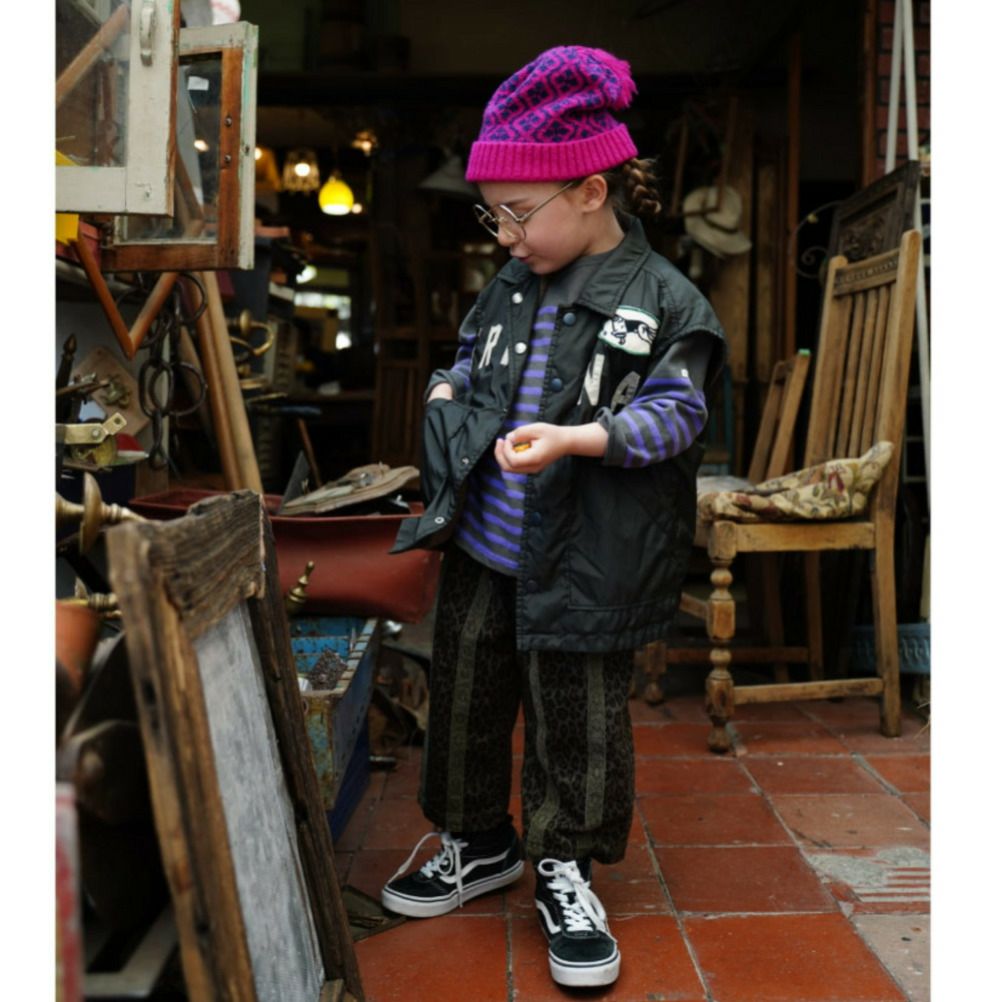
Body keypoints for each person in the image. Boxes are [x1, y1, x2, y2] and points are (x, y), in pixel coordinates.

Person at [382, 44, 726, 989]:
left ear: (591, 189)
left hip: (585, 557)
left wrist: (579, 439)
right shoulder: (511, 283)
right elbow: (470, 355)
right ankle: (477, 841)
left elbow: (680, 414)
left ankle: (565, 864)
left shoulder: (665, 300)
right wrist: (449, 387)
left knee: (576, 714)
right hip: (487, 543)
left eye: (518, 213)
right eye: (492, 215)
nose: (504, 235)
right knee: (465, 694)